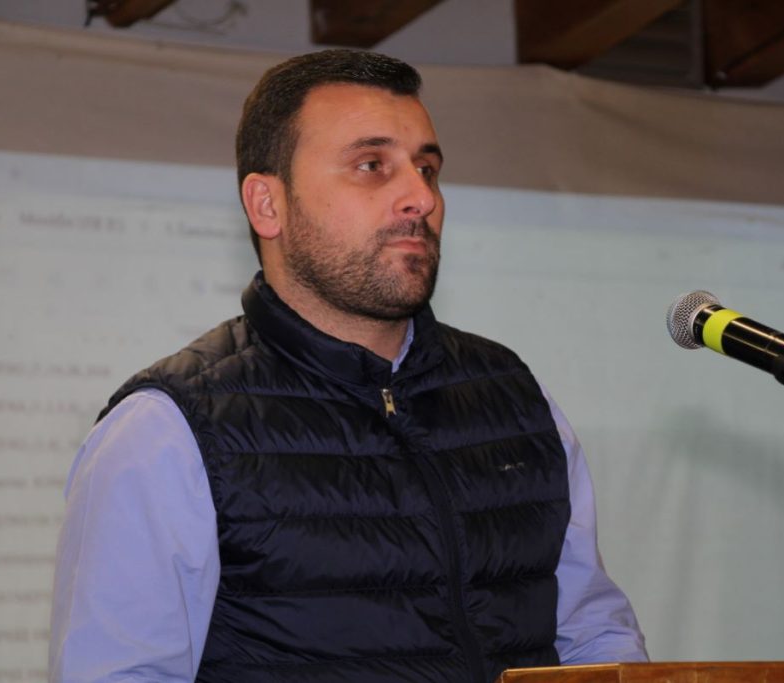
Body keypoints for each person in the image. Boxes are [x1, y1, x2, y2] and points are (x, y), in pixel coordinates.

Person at [49, 49, 646, 682]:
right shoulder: (165, 431)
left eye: (427, 168)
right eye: (371, 166)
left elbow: (591, 634)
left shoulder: (517, 399)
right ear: (267, 204)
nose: (421, 196)